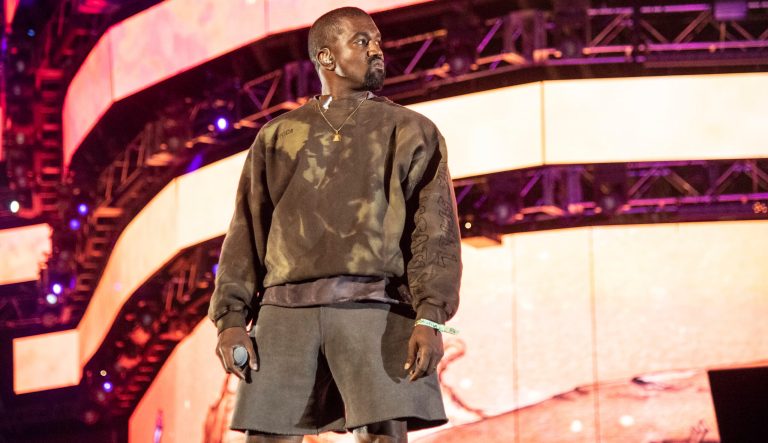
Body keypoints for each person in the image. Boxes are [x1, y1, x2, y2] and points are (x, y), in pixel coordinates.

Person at [207, 6, 462, 442]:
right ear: (326, 56)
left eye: (377, 41)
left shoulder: (411, 130)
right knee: (266, 435)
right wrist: (231, 318)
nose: (377, 49)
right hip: (284, 313)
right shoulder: (278, 135)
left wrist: (432, 318)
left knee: (382, 434)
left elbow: (435, 234)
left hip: (375, 308)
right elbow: (247, 232)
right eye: (362, 41)